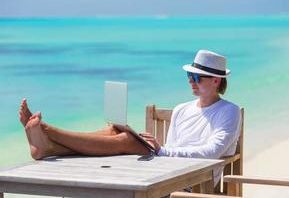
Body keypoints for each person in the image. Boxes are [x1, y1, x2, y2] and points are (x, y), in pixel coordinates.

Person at [19, 49, 241, 186]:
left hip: (194, 181)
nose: (191, 81)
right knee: (114, 131)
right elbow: (172, 146)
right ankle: (49, 146)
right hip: (168, 168)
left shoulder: (229, 111)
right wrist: (160, 149)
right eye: (189, 76)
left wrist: (163, 151)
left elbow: (211, 152)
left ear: (216, 81)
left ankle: (47, 133)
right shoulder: (182, 109)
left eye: (197, 77)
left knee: (125, 140)